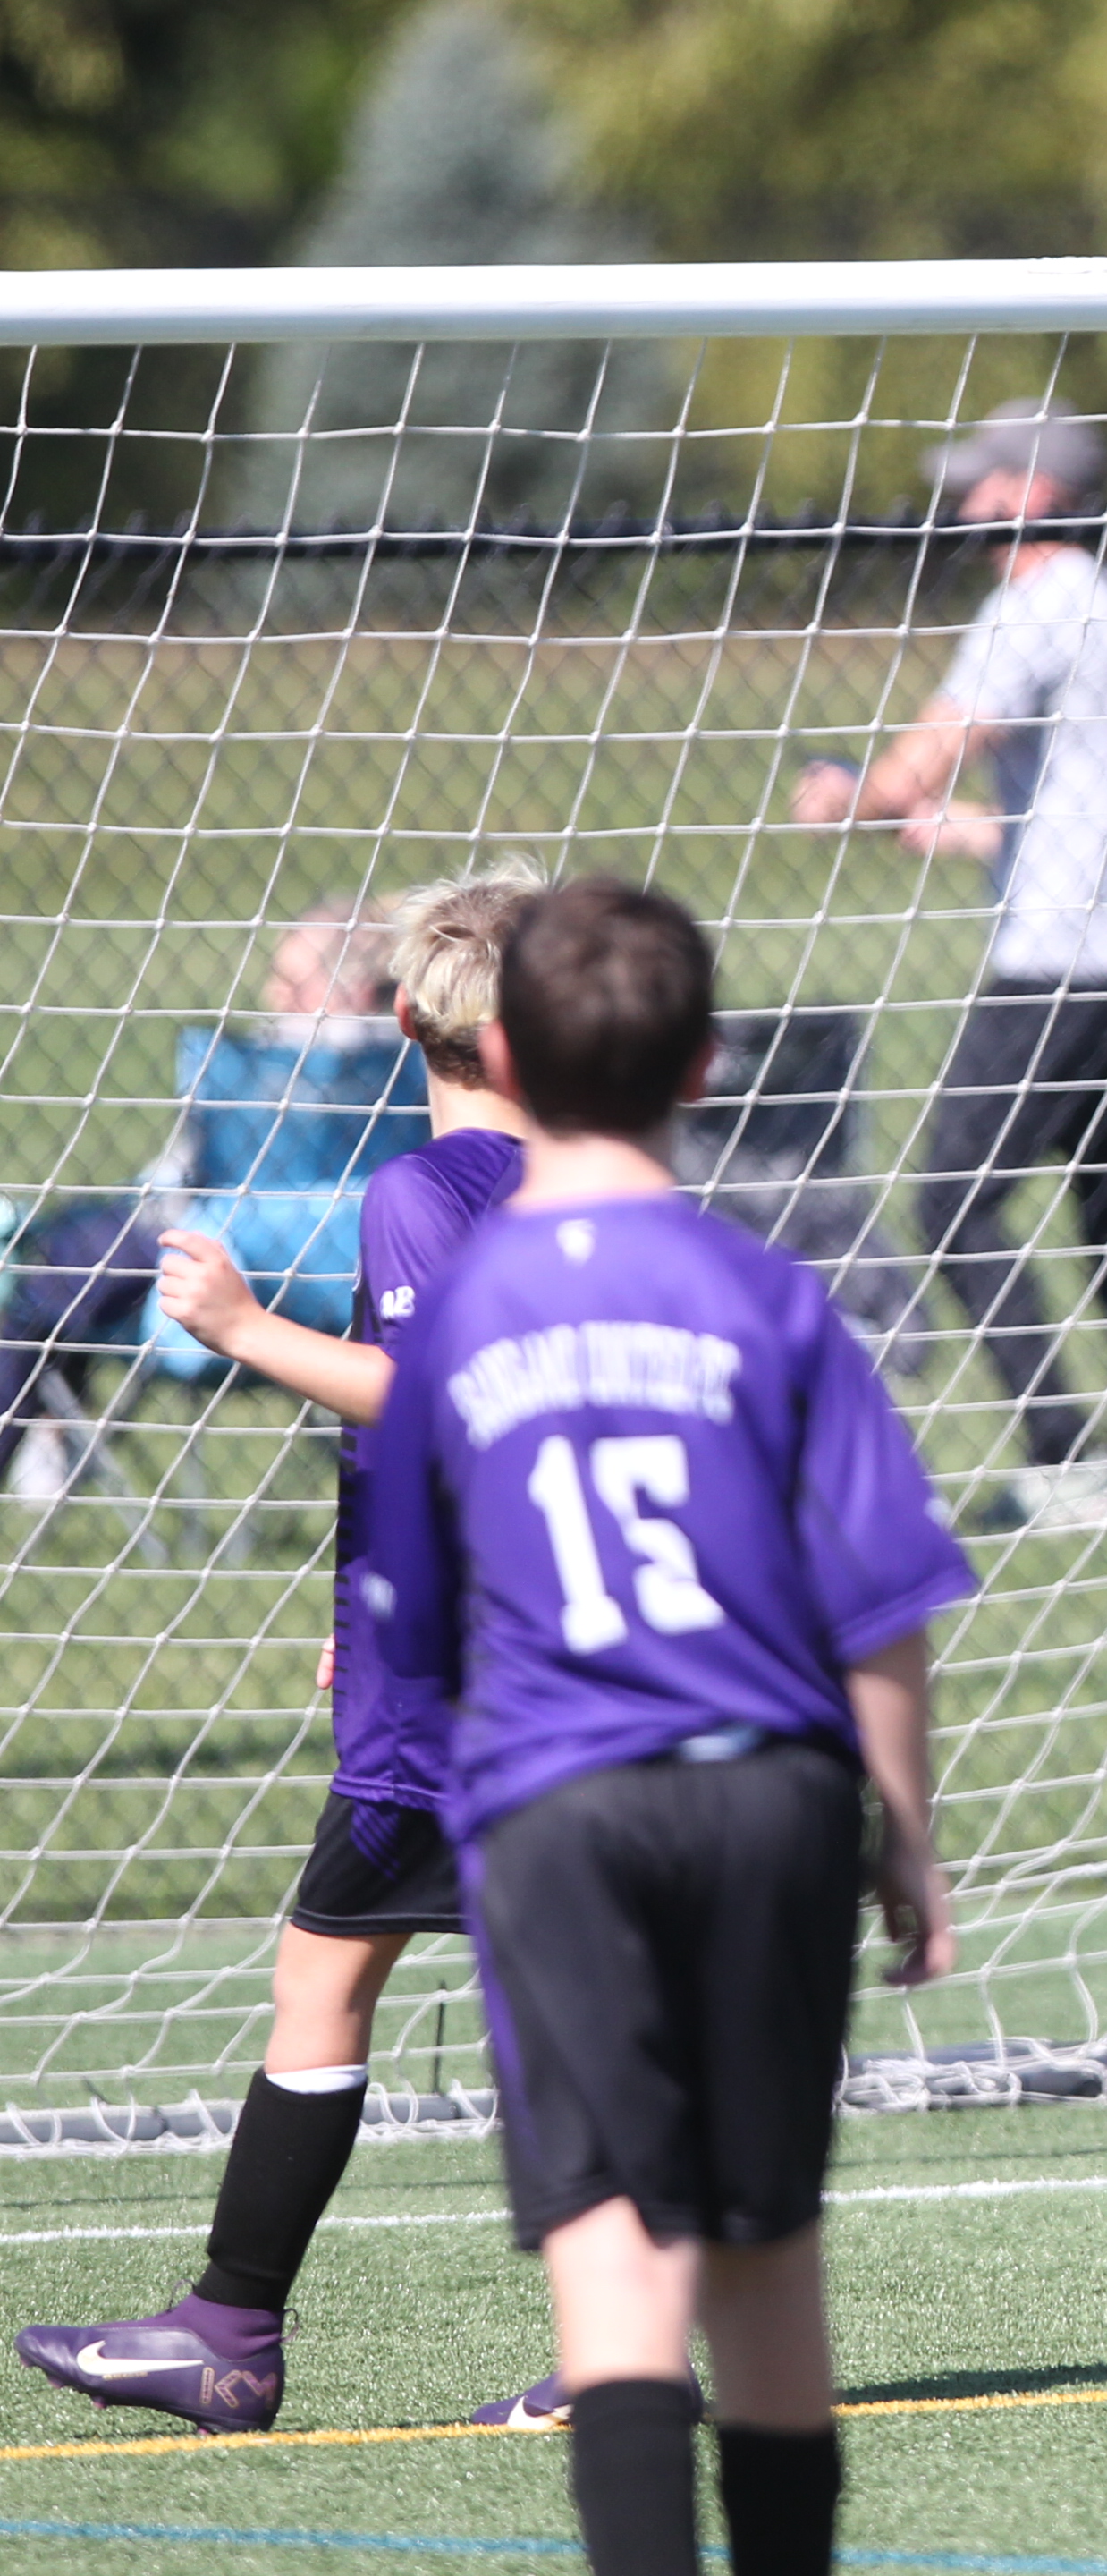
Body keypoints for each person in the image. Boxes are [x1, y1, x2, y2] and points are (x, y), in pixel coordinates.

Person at [364, 880, 975, 2576]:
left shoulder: (460, 1311)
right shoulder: (767, 1295)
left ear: (497, 1056)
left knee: (615, 2259)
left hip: (557, 1807)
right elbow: (881, 1603)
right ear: (706, 1063)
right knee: (766, 2259)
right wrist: (908, 1836)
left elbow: (413, 1611)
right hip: (771, 1796)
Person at [11, 868, 561, 2436]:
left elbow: (440, 1401)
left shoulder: (428, 1191)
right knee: (526, 1993)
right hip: (548, 1654)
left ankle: (235, 2333)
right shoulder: (609, 1192)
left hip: (458, 1689)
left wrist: (244, 1329)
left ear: (408, 1023)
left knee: (332, 1983)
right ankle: (253, 2327)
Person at [790, 396, 1107, 1530]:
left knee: (953, 1202)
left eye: (984, 483)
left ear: (1036, 494)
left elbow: (926, 755)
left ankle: (1064, 1454)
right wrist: (965, 832)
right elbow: (1073, 798)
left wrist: (853, 795)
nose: (963, 501)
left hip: (1057, 963)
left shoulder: (1033, 603)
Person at [3, 904, 422, 1499]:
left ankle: (48, 1414)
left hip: (229, 1269)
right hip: (360, 1291)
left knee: (44, 1273)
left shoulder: (278, 1070)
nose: (272, 995)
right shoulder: (421, 1069)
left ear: (352, 988)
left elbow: (185, 1182)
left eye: (290, 981)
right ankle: (54, 1415)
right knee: (62, 1273)